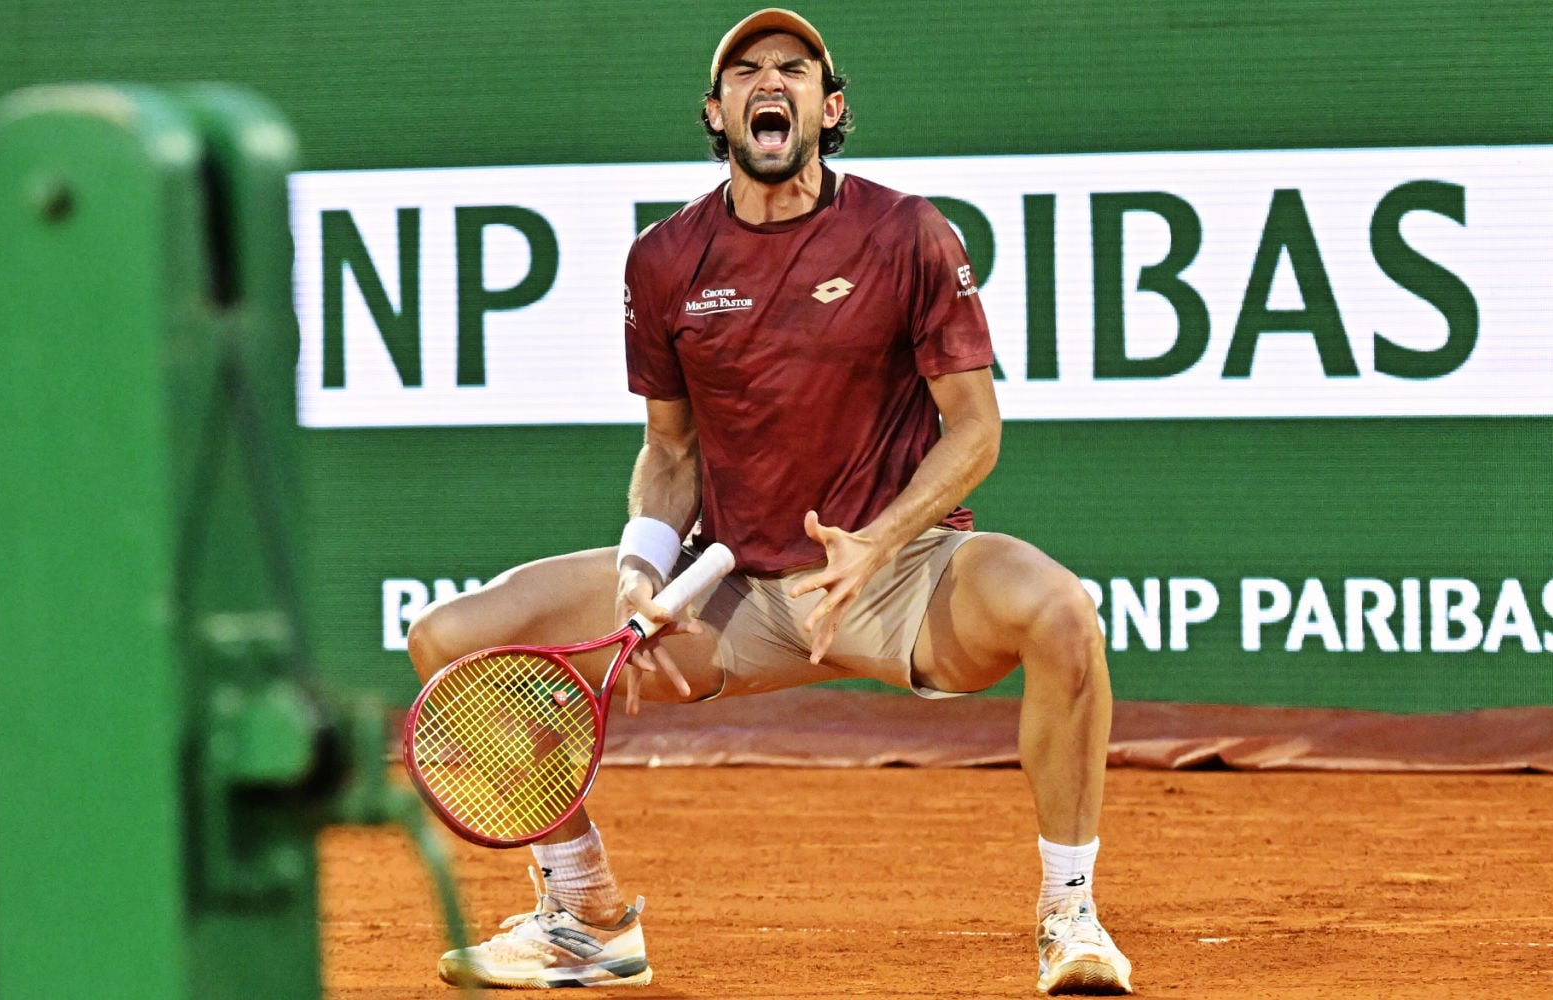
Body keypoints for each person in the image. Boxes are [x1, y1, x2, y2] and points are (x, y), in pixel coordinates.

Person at [406, 7, 1134, 995]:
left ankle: (1070, 916)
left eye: (794, 68)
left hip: (898, 578)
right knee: (449, 636)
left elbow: (975, 428)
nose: (769, 82)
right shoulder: (665, 261)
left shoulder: (906, 232)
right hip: (732, 590)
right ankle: (584, 915)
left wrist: (875, 544)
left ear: (829, 107)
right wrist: (638, 570)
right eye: (745, 71)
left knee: (1061, 614)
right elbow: (669, 452)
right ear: (717, 112)